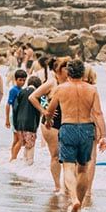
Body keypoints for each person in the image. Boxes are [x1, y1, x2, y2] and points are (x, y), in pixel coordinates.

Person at [42, 60, 106, 212]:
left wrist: (49, 121)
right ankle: (80, 201)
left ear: (69, 73)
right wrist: (103, 136)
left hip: (68, 127)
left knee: (68, 167)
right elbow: (98, 113)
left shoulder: (60, 89)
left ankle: (73, 199)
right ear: (83, 73)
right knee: (83, 168)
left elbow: (50, 110)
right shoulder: (92, 89)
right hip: (87, 129)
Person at [28, 58, 67, 194]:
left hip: (68, 122)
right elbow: (33, 97)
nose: (68, 70)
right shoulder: (52, 82)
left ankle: (67, 185)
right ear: (58, 70)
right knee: (56, 155)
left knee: (68, 157)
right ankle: (57, 186)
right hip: (51, 123)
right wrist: (44, 110)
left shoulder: (71, 82)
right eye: (65, 68)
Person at [11, 75, 42, 165]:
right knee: (30, 146)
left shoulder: (21, 92)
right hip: (30, 123)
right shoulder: (37, 93)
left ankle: (24, 164)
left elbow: (15, 108)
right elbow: (40, 109)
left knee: (24, 144)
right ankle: (29, 164)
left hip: (20, 123)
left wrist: (15, 124)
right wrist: (37, 125)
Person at [4, 69, 27, 160]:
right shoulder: (13, 90)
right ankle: (13, 158)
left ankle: (13, 157)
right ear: (15, 79)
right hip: (15, 117)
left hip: (19, 117)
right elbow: (8, 104)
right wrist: (7, 119)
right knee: (20, 140)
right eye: (20, 80)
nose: (22, 82)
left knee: (16, 139)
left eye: (24, 80)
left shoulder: (22, 90)